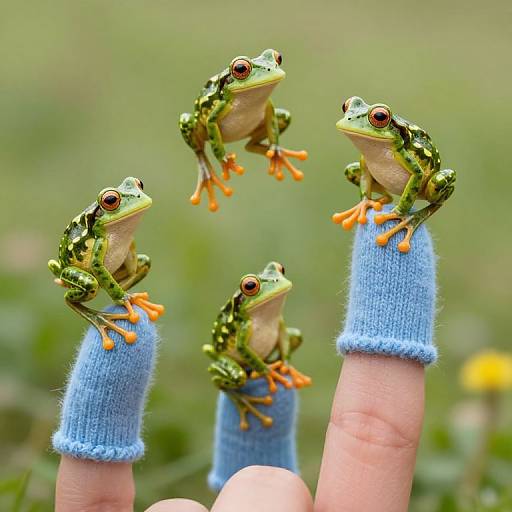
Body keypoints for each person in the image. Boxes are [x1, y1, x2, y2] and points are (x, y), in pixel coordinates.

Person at [53, 206, 437, 511]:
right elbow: (237, 350)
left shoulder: (276, 327)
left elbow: (285, 338)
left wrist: (278, 360)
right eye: (254, 287)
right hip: (236, 361)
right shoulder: (239, 325)